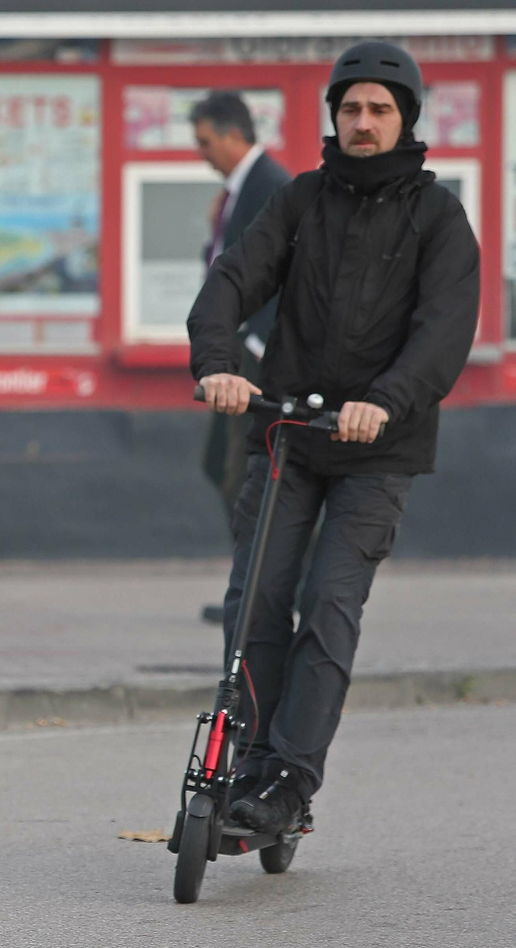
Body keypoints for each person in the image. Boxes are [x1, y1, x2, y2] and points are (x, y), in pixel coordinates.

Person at [188, 42, 479, 834]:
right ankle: (246, 755)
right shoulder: (300, 200)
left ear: (405, 118)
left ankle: (288, 777)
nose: (362, 121)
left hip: (379, 447)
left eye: (380, 109)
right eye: (350, 107)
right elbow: (231, 281)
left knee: (326, 602)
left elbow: (443, 332)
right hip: (287, 428)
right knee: (255, 599)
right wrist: (216, 362)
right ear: (334, 116)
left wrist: (384, 402)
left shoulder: (440, 216)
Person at [190, 92, 292, 625]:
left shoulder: (271, 186)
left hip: (254, 357)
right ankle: (253, 584)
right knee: (220, 465)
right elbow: (224, 266)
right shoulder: (237, 192)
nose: (201, 153)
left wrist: (257, 340)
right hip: (232, 353)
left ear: (234, 136)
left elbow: (286, 269)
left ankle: (264, 590)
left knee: (245, 473)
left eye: (205, 142)